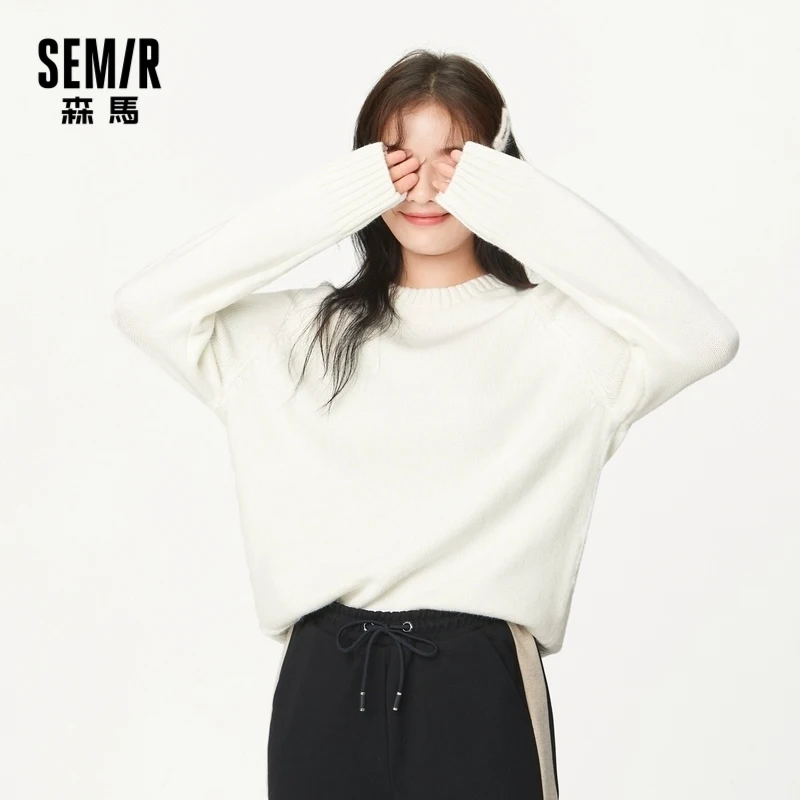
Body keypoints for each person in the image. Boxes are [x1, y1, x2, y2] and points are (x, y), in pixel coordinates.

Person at [111, 48, 740, 799]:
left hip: (478, 683)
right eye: (397, 158)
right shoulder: (292, 336)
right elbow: (146, 307)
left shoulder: (562, 339)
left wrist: (517, 200)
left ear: (497, 172)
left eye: (457, 159)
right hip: (325, 680)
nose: (425, 184)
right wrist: (340, 196)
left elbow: (704, 338)